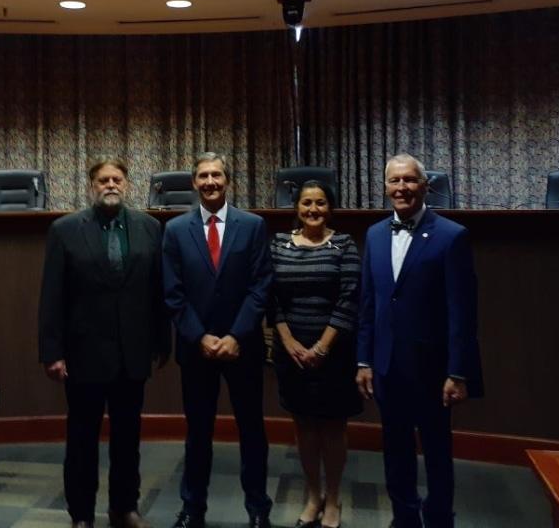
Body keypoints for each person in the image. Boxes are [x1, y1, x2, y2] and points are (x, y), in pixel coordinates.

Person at [39, 158, 169, 528]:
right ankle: (81, 515)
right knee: (81, 441)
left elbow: (157, 291)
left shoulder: (148, 228)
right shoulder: (64, 230)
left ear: (127, 185)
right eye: (102, 180)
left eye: (117, 179)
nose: (110, 185)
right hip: (84, 356)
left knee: (128, 439)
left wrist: (162, 341)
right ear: (91, 186)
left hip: (133, 354)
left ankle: (124, 508)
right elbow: (52, 296)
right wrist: (52, 352)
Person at [355, 154, 482, 528]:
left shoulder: (451, 235)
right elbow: (368, 303)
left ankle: (440, 517)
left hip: (433, 369)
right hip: (387, 366)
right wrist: (364, 360)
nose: (402, 188)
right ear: (385, 187)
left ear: (425, 186)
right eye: (395, 181)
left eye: (410, 180)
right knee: (395, 451)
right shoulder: (375, 235)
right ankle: (404, 517)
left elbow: (462, 311)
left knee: (438, 451)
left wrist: (458, 372)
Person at [163, 152, 274, 528]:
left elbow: (261, 286)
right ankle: (193, 509)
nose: (210, 182)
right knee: (197, 434)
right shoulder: (176, 230)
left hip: (242, 348)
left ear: (228, 180)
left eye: (217, 175)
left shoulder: (253, 225)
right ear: (194, 183)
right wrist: (201, 337)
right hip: (197, 351)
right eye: (203, 176)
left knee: (252, 432)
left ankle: (258, 509)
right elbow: (173, 293)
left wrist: (235, 335)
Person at [269, 180, 361, 528]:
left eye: (320, 203)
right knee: (304, 425)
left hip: (334, 354)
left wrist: (322, 346)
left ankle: (334, 497)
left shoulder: (344, 244)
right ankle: (312, 495)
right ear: (296, 207)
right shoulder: (278, 244)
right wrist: (289, 342)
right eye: (306, 203)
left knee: (333, 427)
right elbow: (270, 298)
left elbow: (349, 298)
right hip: (290, 353)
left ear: (330, 207)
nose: (313, 209)